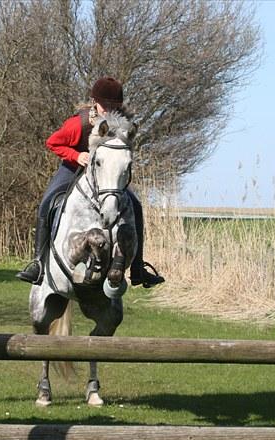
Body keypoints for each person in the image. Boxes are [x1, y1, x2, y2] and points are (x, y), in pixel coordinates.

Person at [16, 77, 165, 288]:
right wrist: (76, 156)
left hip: (105, 177)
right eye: (106, 105)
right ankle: (38, 263)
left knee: (136, 206)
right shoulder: (79, 123)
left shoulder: (122, 124)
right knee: (47, 203)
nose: (109, 109)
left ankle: (138, 268)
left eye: (114, 105)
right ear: (95, 101)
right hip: (73, 169)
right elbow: (52, 142)